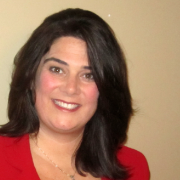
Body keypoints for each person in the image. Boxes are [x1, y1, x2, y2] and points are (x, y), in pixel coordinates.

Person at [0, 8, 150, 180]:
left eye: (89, 75)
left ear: (105, 89)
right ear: (32, 76)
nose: (71, 88)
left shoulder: (134, 166)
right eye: (57, 69)